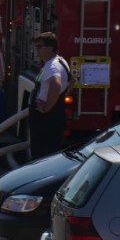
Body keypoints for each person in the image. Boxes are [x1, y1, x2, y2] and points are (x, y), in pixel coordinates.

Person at [28, 31, 72, 159]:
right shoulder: (61, 61)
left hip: (46, 117)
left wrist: (47, 107)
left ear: (51, 47)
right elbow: (72, 81)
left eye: (40, 46)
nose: (37, 50)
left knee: (42, 154)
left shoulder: (52, 66)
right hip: (54, 113)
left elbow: (56, 84)